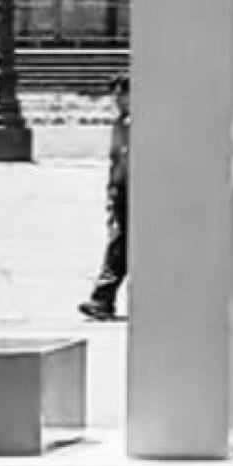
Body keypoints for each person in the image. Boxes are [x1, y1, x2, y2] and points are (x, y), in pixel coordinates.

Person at [79, 76, 130, 321]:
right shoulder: (121, 123)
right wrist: (112, 188)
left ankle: (103, 299)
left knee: (120, 245)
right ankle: (102, 299)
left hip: (140, 188)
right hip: (123, 189)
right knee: (119, 244)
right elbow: (116, 159)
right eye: (116, 96)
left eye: (123, 95)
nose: (118, 100)